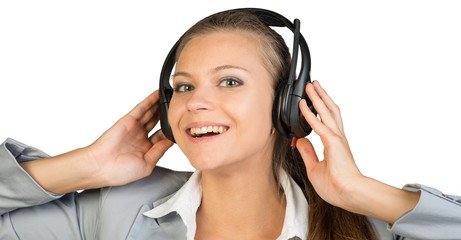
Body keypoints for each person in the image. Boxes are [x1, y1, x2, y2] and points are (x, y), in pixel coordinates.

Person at [1, 8, 460, 240]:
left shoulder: (373, 228)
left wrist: (361, 193)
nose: (196, 101)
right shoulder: (111, 211)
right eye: (183, 87)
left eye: (229, 81)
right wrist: (85, 166)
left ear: (288, 103)